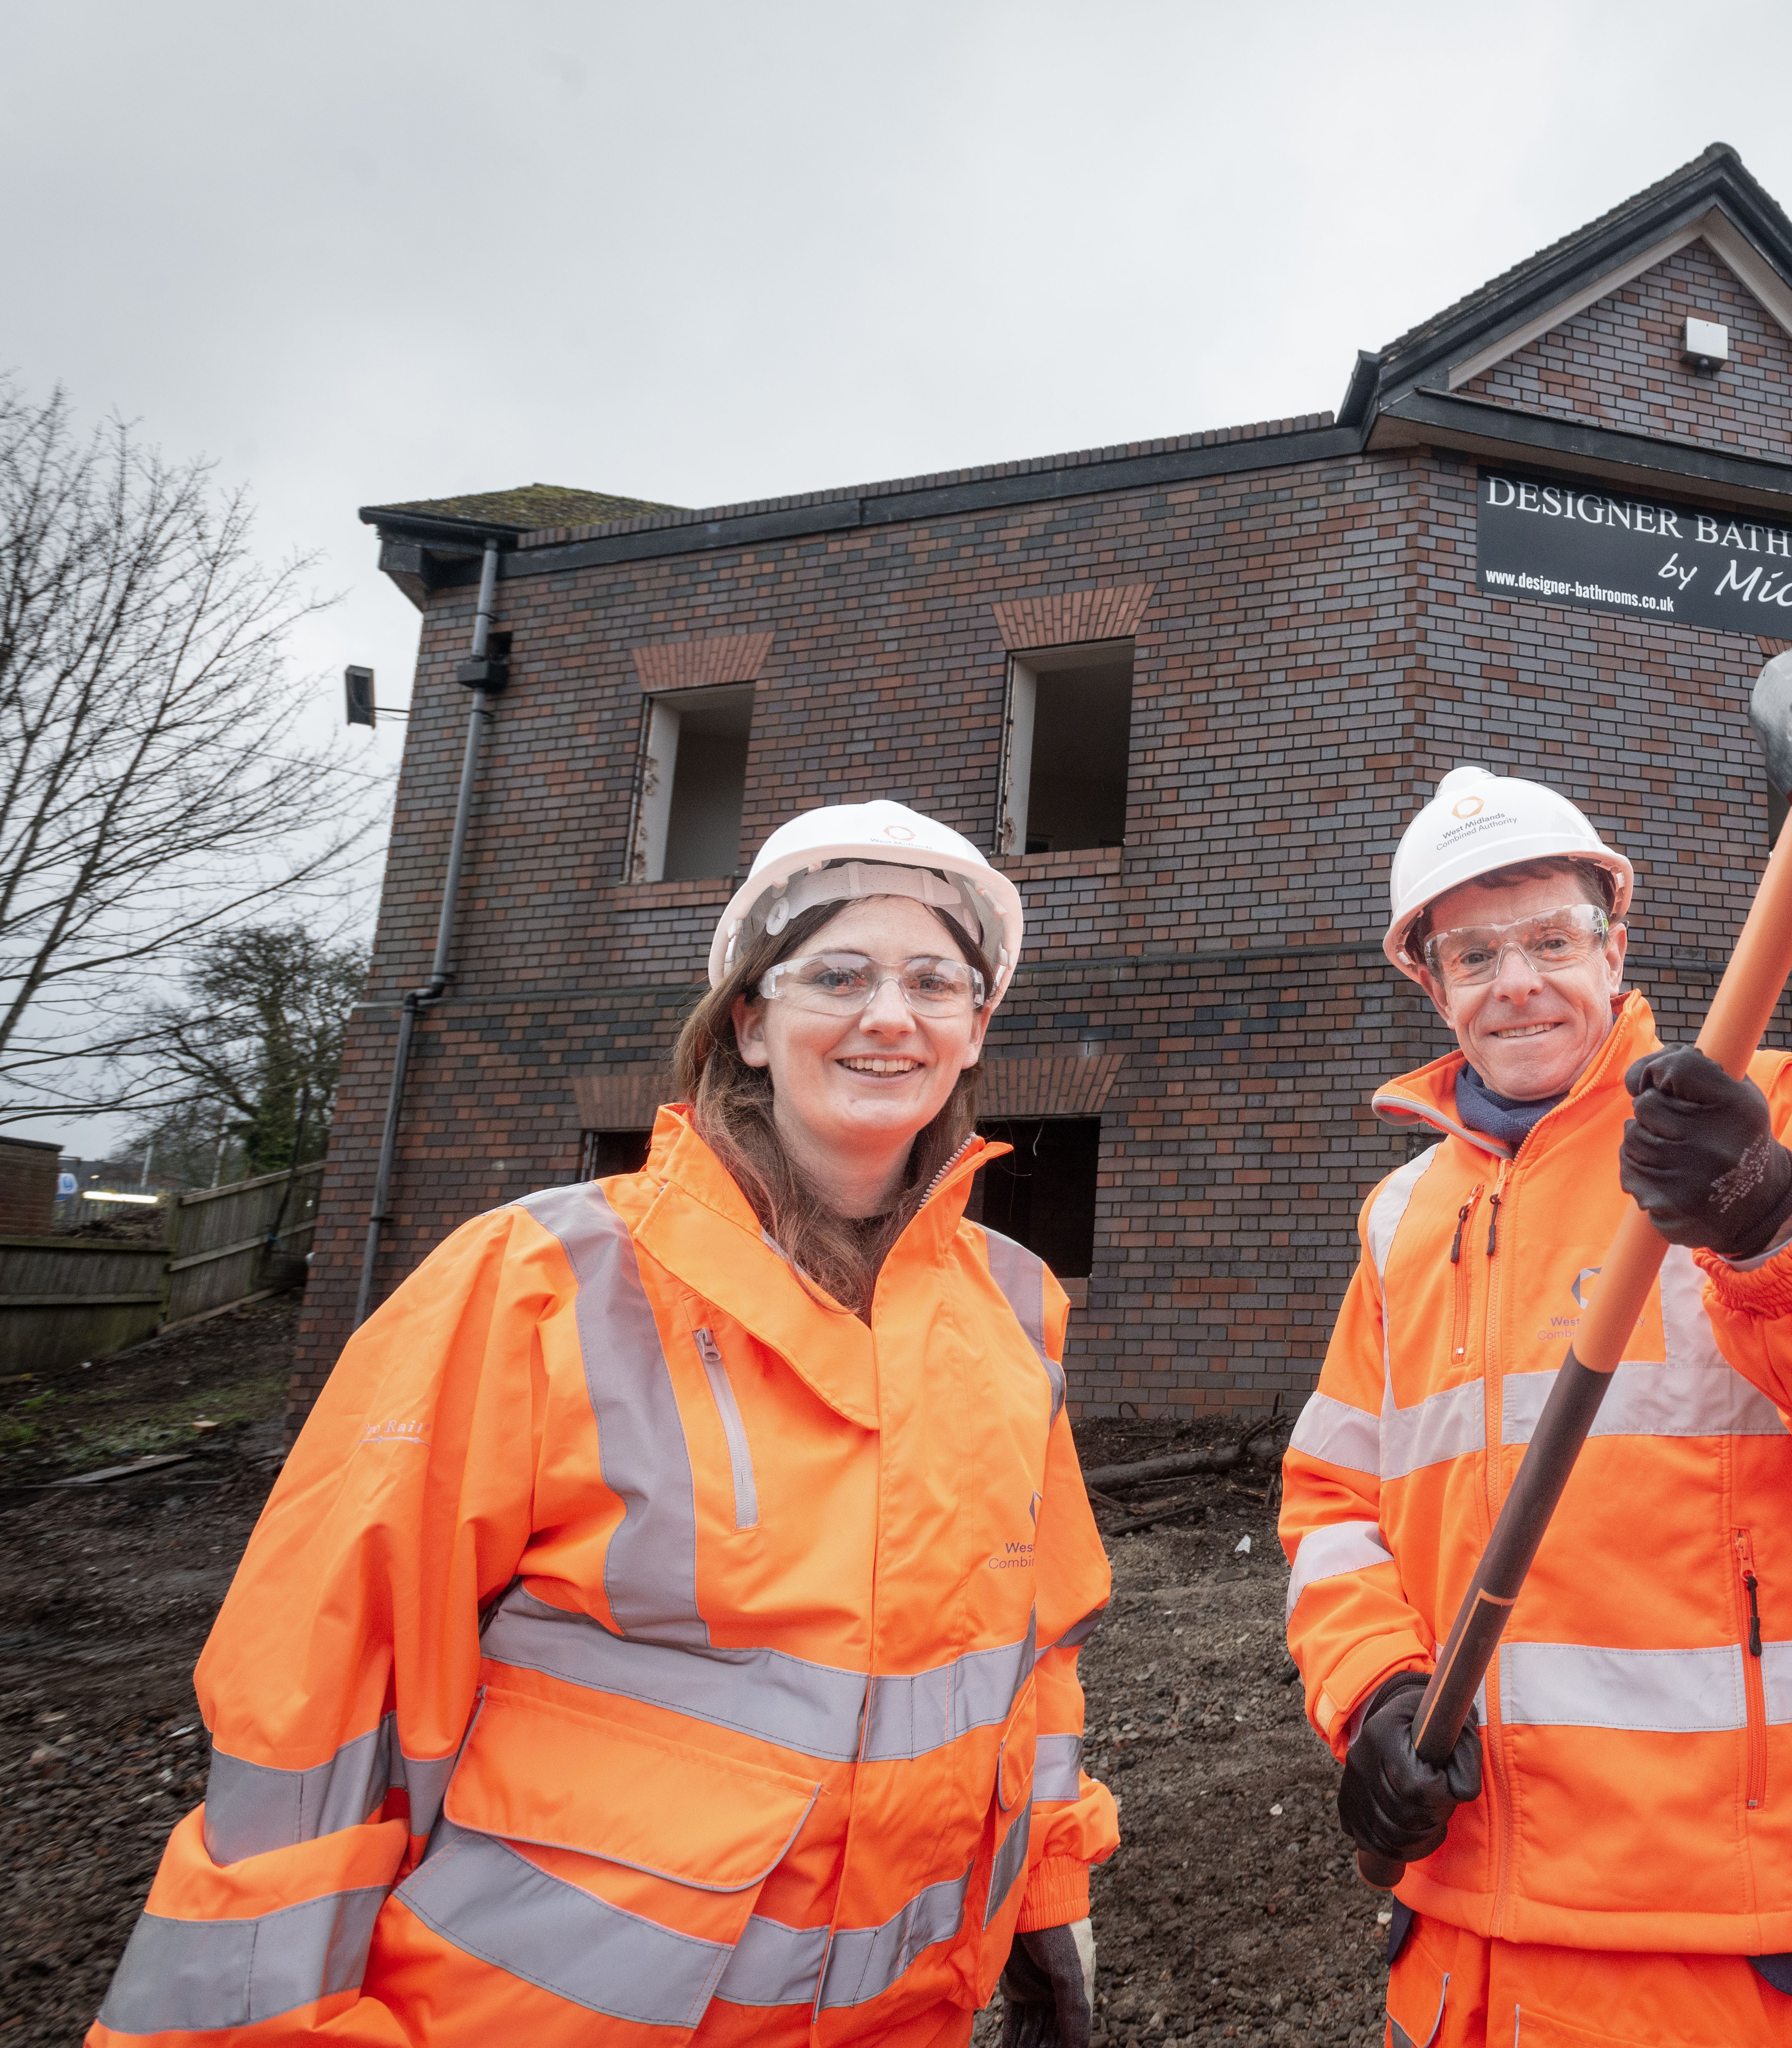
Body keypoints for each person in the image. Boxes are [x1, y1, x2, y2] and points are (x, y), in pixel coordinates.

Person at [90, 801, 1117, 2047]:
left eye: (932, 981)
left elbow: (1033, 1645)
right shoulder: (533, 1279)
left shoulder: (1012, 1304)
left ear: (972, 1032)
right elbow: (324, 1697)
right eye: (836, 974)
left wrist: (1046, 1899)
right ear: (749, 1022)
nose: (889, 1014)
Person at [1280, 765, 1792, 2046]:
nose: (1520, 982)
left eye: (1552, 939)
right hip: (1460, 1928)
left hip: (1701, 1921)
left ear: (1616, 947)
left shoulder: (1750, 1120)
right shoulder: (1401, 1216)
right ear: (1429, 986)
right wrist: (1374, 1693)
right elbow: (1333, 1507)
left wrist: (1773, 1222)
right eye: (1475, 954)